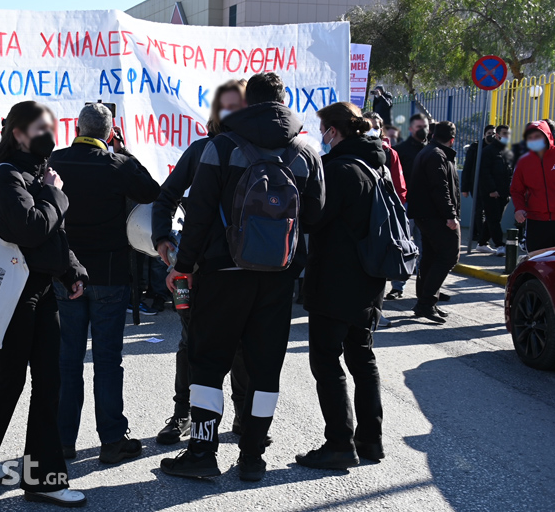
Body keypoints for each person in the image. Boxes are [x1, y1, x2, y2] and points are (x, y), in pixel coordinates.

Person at [161, 72, 325, 482]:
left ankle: (201, 450)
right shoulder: (307, 151)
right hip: (277, 278)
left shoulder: (220, 147)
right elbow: (317, 217)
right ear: (283, 101)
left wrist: (183, 266)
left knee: (208, 363)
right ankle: (253, 455)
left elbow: (197, 215)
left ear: (248, 102)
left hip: (221, 274)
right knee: (266, 368)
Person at [0, 101, 88, 508]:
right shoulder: (8, 175)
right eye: (40, 127)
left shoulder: (35, 175)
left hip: (38, 290)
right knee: (29, 381)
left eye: (52, 126)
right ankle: (35, 476)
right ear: (18, 134)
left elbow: (52, 238)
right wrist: (56, 195)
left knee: (35, 381)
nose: (49, 133)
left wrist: (71, 271)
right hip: (19, 295)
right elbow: (31, 229)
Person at [49, 103, 160, 463]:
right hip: (109, 276)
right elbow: (152, 192)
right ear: (109, 133)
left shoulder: (56, 161)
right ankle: (112, 440)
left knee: (67, 360)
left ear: (76, 128)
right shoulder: (118, 164)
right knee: (108, 360)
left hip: (66, 274)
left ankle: (63, 441)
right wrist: (123, 152)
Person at [151, 79, 252, 446]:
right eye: (225, 106)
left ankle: (242, 417)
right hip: (191, 272)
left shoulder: (266, 153)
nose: (231, 113)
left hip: (245, 272)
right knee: (190, 344)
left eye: (239, 105)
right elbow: (165, 198)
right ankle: (182, 415)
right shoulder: (200, 150)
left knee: (242, 346)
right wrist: (163, 239)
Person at [295, 102, 386, 470]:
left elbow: (312, 220)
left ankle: (338, 444)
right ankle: (370, 440)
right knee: (363, 360)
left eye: (324, 129)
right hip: (369, 280)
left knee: (327, 362)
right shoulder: (377, 165)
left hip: (335, 282)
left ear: (334, 131)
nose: (322, 136)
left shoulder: (338, 170)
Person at [408, 121, 461, 324]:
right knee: (448, 255)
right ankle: (426, 302)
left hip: (427, 215)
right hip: (436, 216)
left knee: (431, 256)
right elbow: (440, 188)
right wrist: (450, 215)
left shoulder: (429, 152)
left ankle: (426, 300)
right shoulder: (437, 155)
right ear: (452, 139)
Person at [363, 111, 406, 328]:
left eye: (377, 126)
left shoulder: (390, 154)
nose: (374, 129)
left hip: (383, 218)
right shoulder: (351, 150)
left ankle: (376, 313)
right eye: (369, 125)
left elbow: (400, 189)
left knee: (378, 267)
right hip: (359, 217)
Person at [388, 113, 429, 300]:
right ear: (411, 129)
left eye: (425, 126)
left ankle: (425, 287)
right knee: (402, 245)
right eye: (419, 127)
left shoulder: (431, 150)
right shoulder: (401, 150)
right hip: (406, 204)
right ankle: (398, 286)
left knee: (425, 247)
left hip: (427, 207)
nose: (423, 130)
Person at [511, 121, 555, 252]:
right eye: (530, 137)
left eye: (537, 136)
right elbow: (516, 189)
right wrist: (519, 208)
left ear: (547, 135)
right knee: (536, 260)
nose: (533, 140)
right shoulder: (524, 162)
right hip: (536, 221)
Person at [475, 125, 513, 255]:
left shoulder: (507, 152)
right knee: (493, 219)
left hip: (503, 193)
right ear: (497, 135)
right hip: (491, 193)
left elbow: (509, 172)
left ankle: (481, 243)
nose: (507, 136)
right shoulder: (488, 151)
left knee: (493, 219)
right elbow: (484, 173)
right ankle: (499, 245)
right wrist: (491, 189)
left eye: (508, 133)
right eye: (504, 133)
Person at [462, 125, 496, 250]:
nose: (491, 135)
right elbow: (468, 167)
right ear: (484, 134)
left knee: (490, 211)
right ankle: (481, 236)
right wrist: (464, 187)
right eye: (489, 132)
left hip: (490, 185)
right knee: (479, 209)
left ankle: (483, 235)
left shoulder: (497, 148)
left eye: (493, 132)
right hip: (475, 184)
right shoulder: (476, 147)